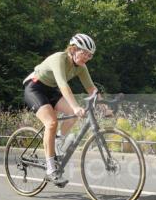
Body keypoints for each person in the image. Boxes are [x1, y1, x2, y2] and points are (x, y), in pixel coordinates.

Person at [23, 34, 106, 185]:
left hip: (51, 90)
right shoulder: (59, 58)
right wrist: (75, 106)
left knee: (73, 115)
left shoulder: (81, 67)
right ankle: (51, 170)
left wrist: (105, 107)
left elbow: (91, 88)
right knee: (51, 123)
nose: (87, 57)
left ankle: (58, 141)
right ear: (73, 49)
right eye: (84, 53)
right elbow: (63, 85)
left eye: (90, 55)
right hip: (35, 87)